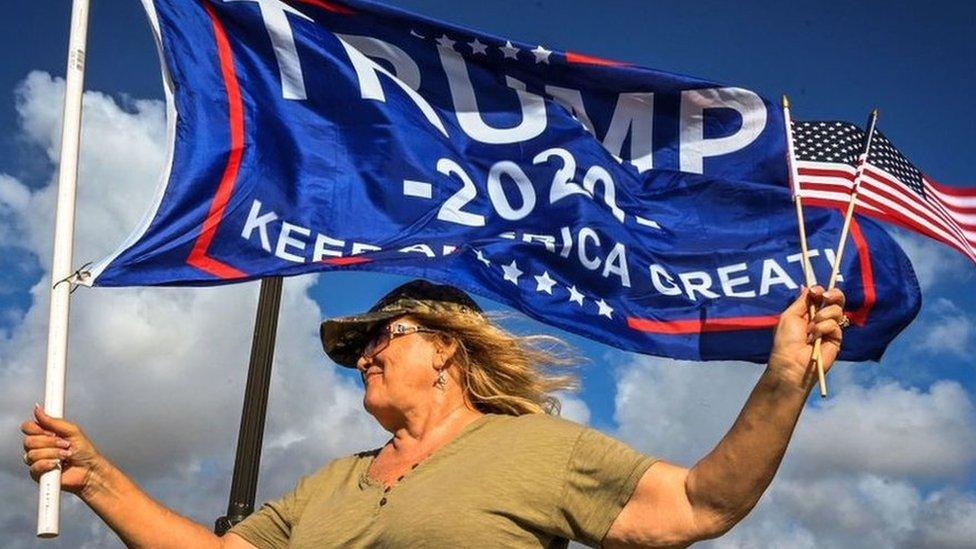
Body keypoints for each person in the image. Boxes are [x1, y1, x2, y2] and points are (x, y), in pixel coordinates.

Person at [21, 279, 848, 548]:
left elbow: (701, 502)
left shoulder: (540, 450)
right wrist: (96, 476)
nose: (368, 354)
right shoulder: (330, 484)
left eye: (385, 335)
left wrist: (780, 380)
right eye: (361, 348)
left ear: (447, 350)